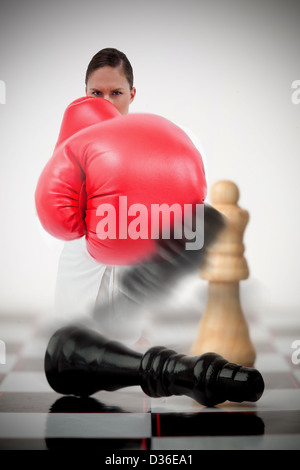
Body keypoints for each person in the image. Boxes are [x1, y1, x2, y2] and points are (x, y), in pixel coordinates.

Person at [53, 48, 207, 348]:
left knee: (129, 335)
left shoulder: (145, 138)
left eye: (116, 93)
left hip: (129, 257)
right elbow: (56, 206)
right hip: (81, 262)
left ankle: (131, 339)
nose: (106, 102)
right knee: (70, 341)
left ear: (132, 94)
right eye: (96, 92)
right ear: (84, 92)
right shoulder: (74, 137)